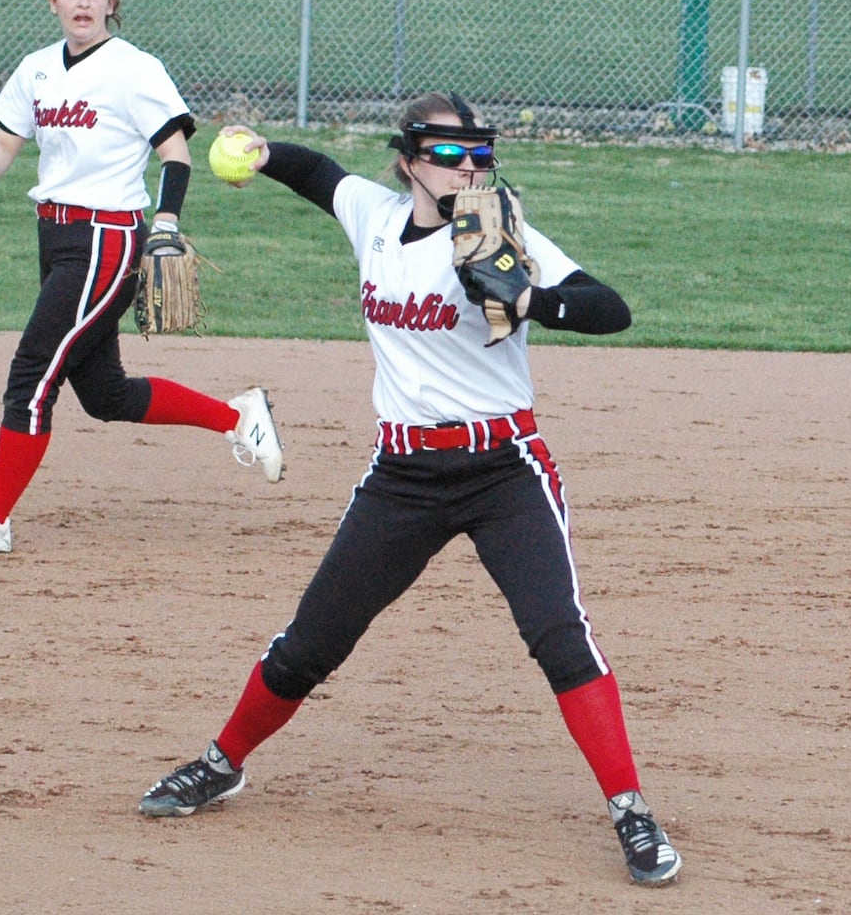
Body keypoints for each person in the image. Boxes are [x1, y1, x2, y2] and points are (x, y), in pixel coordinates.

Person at [136, 93, 682, 888]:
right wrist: (260, 154)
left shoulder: (499, 233)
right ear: (408, 161)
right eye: (449, 155)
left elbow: (612, 309)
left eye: (478, 155)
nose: (468, 169)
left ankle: (631, 808)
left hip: (504, 470)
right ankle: (224, 762)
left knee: (560, 635)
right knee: (310, 645)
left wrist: (532, 300)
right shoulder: (375, 215)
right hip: (402, 477)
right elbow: (319, 175)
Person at [0, 0, 286, 556]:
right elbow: (4, 140)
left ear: (111, 4)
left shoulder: (134, 69)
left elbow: (176, 153)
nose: (83, 3)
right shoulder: (37, 69)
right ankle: (238, 417)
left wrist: (165, 221)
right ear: (53, 3)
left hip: (106, 240)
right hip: (57, 238)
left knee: (32, 376)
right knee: (105, 394)